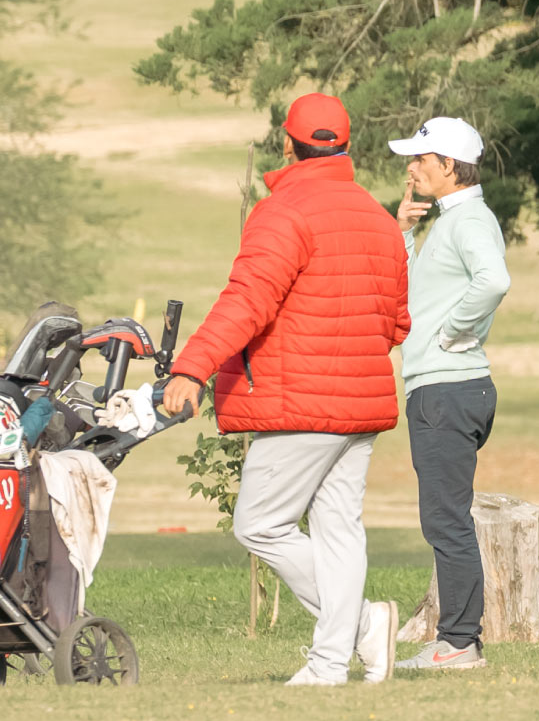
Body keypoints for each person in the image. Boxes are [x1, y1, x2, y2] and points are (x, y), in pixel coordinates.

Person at [161, 93, 411, 686]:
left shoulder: (283, 212)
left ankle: (358, 629)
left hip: (302, 404)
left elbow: (247, 302)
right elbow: (398, 322)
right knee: (339, 533)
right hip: (360, 402)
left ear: (286, 144)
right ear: (348, 144)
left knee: (259, 525)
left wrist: (191, 367)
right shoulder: (379, 218)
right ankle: (330, 665)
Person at [388, 117, 511, 672]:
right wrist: (405, 234)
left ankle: (459, 643)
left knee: (445, 520)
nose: (412, 168)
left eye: (421, 159)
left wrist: (452, 333)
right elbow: (418, 294)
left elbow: (494, 281)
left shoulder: (470, 220)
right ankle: (458, 639)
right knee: (446, 517)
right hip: (441, 388)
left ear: (448, 165)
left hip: (449, 390)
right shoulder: (449, 220)